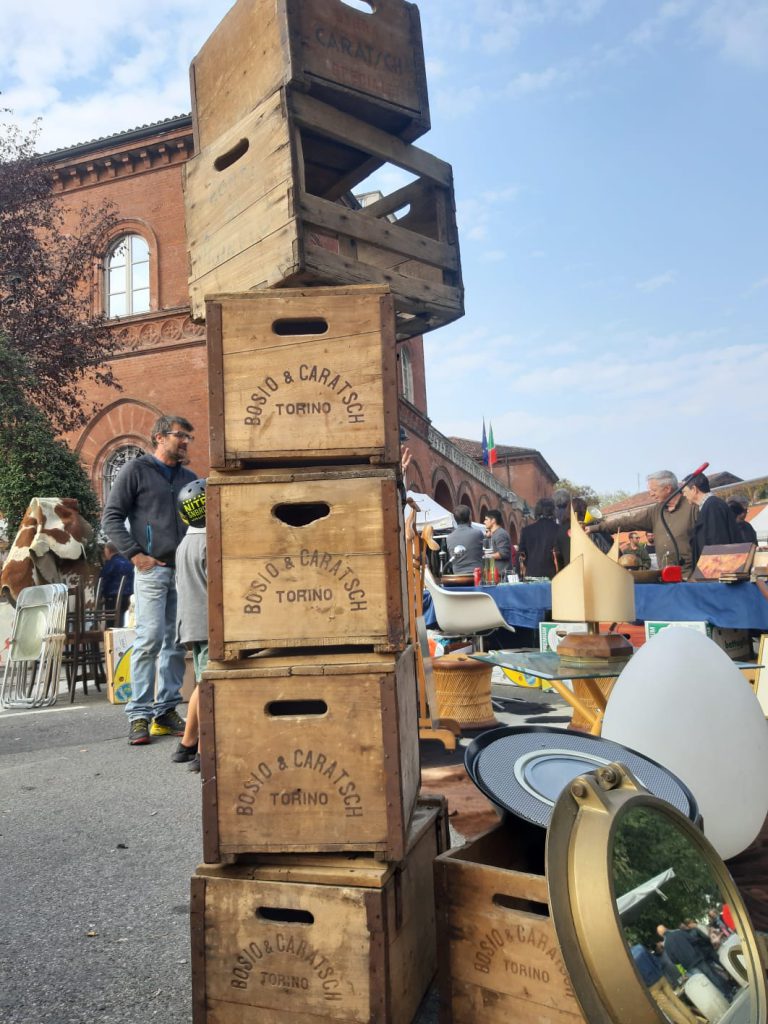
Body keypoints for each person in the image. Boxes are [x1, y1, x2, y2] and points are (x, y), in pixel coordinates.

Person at [101, 414, 197, 746]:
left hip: (183, 570)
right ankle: (139, 714)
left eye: (188, 438)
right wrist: (134, 554)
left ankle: (166, 711)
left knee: (175, 642)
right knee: (150, 638)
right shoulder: (136, 471)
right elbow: (111, 517)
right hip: (151, 569)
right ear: (159, 437)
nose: (185, 442)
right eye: (180, 436)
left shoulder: (189, 478)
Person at [587, 470, 698, 577]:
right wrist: (594, 528)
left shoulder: (693, 507)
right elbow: (627, 521)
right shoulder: (655, 511)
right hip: (665, 578)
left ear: (668, 488)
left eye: (654, 490)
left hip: (691, 578)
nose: (651, 494)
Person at [171, 478, 208, 774]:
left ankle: (186, 744)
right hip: (209, 625)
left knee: (201, 683)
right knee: (210, 686)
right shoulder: (211, 543)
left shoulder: (186, 542)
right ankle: (202, 751)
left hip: (191, 625)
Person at [657, 924, 733, 1001]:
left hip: (688, 965)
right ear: (666, 928)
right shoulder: (678, 932)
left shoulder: (666, 945)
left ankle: (720, 999)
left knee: (705, 982)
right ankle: (728, 993)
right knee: (712, 975)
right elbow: (692, 940)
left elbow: (674, 960)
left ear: (660, 934)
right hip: (697, 957)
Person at [630, 943, 699, 1024]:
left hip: (651, 986)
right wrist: (659, 972)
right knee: (677, 1001)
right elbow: (655, 959)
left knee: (670, 1009)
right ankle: (694, 1021)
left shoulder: (628, 960)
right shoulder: (640, 947)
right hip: (660, 978)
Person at [682, 473, 740, 566]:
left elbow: (717, 541)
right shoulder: (709, 505)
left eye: (684, 491)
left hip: (716, 569)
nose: (683, 495)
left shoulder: (712, 506)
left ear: (694, 489)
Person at [517, 498, 565, 578]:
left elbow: (521, 554)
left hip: (532, 573)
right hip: (554, 575)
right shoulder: (560, 530)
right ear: (553, 511)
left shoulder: (527, 530)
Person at [98, 542, 134, 617]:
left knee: (112, 622)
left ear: (108, 551)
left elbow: (103, 581)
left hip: (113, 598)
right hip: (130, 597)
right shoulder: (129, 562)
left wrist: (100, 596)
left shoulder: (110, 564)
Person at [445, 505, 484, 574]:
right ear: (469, 517)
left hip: (458, 575)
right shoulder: (477, 533)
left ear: (455, 519)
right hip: (476, 574)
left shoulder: (449, 537)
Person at [483, 509, 512, 576]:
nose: (484, 522)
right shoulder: (495, 534)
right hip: (496, 575)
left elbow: (503, 553)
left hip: (501, 576)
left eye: (486, 519)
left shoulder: (500, 534)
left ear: (493, 520)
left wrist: (486, 556)